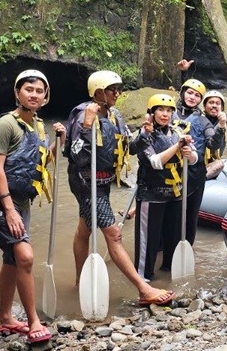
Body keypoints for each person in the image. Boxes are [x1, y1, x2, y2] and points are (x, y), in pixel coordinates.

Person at [65, 71, 176, 305]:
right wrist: (86, 125)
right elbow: (75, 155)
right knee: (114, 235)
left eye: (118, 89)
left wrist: (145, 134)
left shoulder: (115, 116)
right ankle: (143, 289)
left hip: (104, 182)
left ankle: (78, 282)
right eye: (112, 89)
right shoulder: (82, 113)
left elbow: (130, 149)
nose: (117, 93)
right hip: (86, 182)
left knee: (84, 229)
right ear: (98, 92)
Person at [0, 70, 63, 344]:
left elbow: (40, 160)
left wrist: (57, 144)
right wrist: (8, 209)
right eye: (28, 89)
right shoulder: (6, 125)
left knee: (12, 260)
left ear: (46, 96)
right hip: (2, 201)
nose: (34, 94)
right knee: (26, 257)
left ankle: (5, 318)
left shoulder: (38, 125)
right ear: (17, 93)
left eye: (39, 90)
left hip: (23, 201)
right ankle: (33, 321)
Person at [131, 92, 197, 280]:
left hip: (175, 195)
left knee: (173, 239)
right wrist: (177, 147)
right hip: (151, 195)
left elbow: (193, 160)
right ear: (151, 113)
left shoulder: (177, 132)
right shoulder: (144, 135)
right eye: (160, 109)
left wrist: (188, 152)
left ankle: (170, 273)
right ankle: (143, 278)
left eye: (169, 110)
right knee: (149, 242)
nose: (165, 114)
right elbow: (155, 162)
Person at [166, 77, 216, 269]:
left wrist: (218, 131)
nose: (192, 97)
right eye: (189, 92)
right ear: (182, 92)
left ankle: (187, 249)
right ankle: (165, 251)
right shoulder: (168, 112)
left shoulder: (203, 121)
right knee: (170, 216)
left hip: (195, 174)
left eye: (197, 95)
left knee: (190, 217)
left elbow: (212, 140)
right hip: (170, 173)